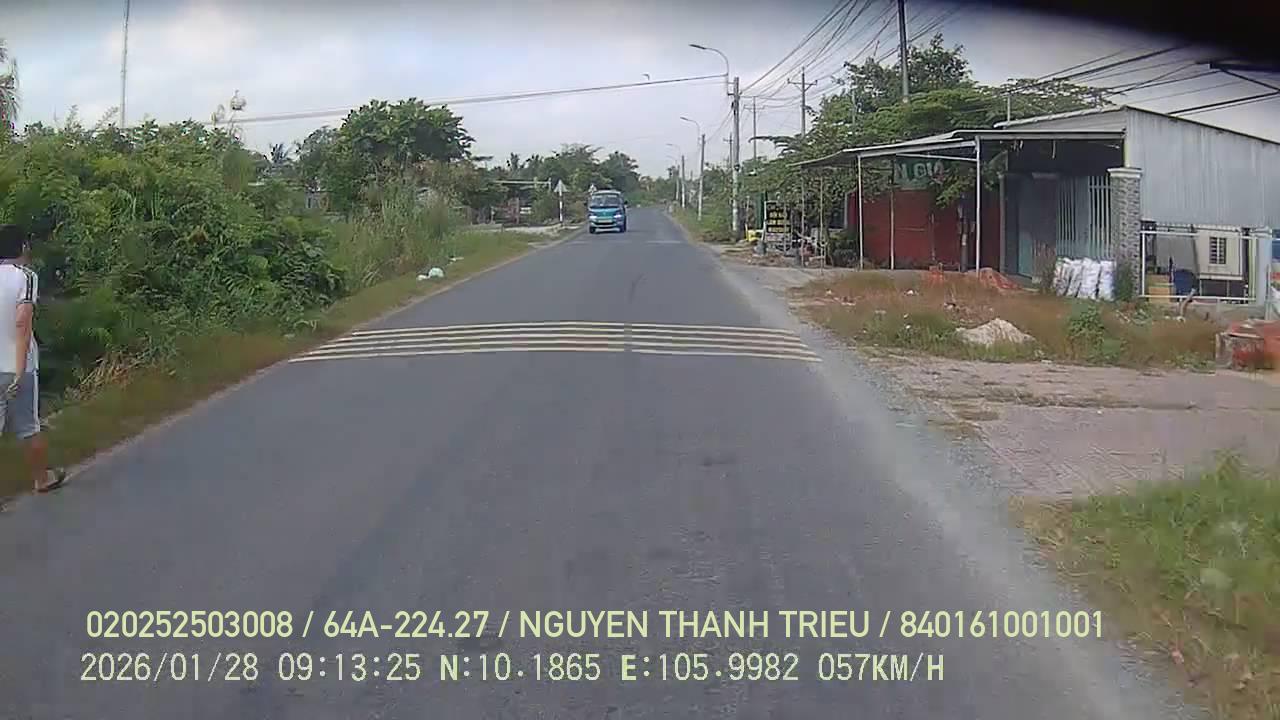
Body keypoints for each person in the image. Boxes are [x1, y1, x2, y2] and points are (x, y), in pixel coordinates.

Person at [0, 224, 67, 493]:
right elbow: (22, 323)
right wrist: (19, 371)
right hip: (17, 367)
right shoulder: (25, 277)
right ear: (23, 247)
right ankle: (42, 479)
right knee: (29, 427)